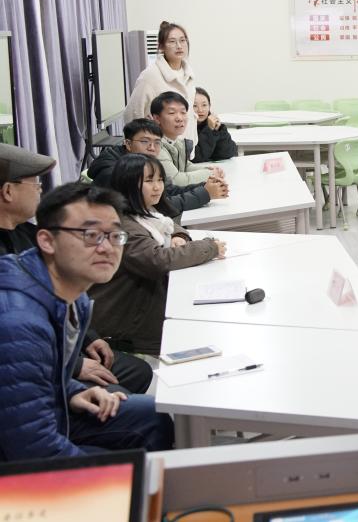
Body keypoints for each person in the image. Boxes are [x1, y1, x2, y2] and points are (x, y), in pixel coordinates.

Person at [0, 183, 174, 460]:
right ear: (47, 241)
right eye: (91, 235)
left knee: (151, 415)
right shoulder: (19, 323)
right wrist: (106, 476)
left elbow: (37, 378)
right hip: (18, 451)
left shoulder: (74, 294)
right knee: (121, 466)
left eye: (115, 235)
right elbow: (31, 446)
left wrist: (73, 391)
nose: (107, 248)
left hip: (45, 418)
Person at [0, 144, 153, 396]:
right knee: (124, 398)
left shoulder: (28, 233)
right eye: (36, 184)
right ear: (8, 191)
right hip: (33, 365)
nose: (40, 190)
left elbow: (64, 294)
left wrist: (90, 338)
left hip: (61, 346)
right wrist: (76, 366)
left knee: (137, 372)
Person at [88, 154, 224, 356]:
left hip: (147, 308)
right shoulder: (121, 225)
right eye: (149, 181)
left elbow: (169, 224)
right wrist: (209, 247)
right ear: (128, 184)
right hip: (128, 326)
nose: (157, 187)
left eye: (160, 180)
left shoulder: (146, 211)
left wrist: (179, 236)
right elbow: (159, 261)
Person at [88, 118, 228, 220]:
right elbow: (158, 206)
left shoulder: (144, 164)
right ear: (128, 144)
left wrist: (205, 186)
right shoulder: (116, 173)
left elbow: (168, 190)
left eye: (157, 142)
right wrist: (205, 193)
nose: (152, 148)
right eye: (145, 141)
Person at [124, 21, 200, 145]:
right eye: (172, 41)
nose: (179, 46)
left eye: (182, 40)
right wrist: (146, 142)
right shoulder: (150, 75)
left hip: (186, 147)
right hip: (160, 149)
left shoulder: (188, 74)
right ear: (161, 46)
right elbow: (132, 114)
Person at [151, 91, 224, 186]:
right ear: (157, 118)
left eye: (183, 112)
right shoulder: (154, 146)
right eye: (172, 113)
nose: (180, 118)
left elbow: (186, 166)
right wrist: (210, 174)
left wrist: (209, 169)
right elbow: (175, 180)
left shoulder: (177, 142)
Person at [192, 87, 237, 163]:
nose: (200, 110)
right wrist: (209, 130)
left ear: (209, 106)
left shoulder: (213, 123)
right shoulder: (185, 128)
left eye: (204, 105)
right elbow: (197, 157)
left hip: (217, 168)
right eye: (195, 106)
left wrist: (218, 130)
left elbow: (228, 153)